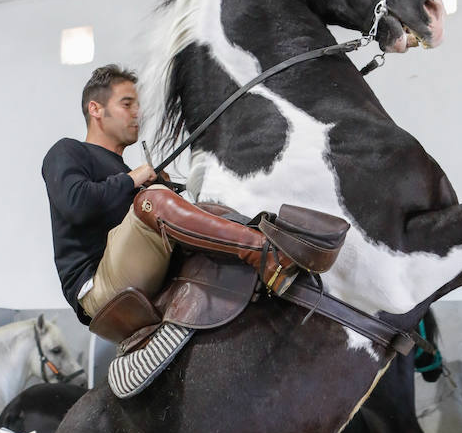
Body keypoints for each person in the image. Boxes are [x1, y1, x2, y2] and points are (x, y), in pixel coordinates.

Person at [42, 64, 300, 328]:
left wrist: (159, 189)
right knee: (153, 199)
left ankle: (273, 240)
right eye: (127, 104)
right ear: (95, 109)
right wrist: (137, 182)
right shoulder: (67, 151)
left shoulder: (124, 174)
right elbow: (77, 205)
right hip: (97, 284)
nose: (137, 113)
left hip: (134, 268)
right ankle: (263, 254)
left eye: (137, 105)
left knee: (202, 207)